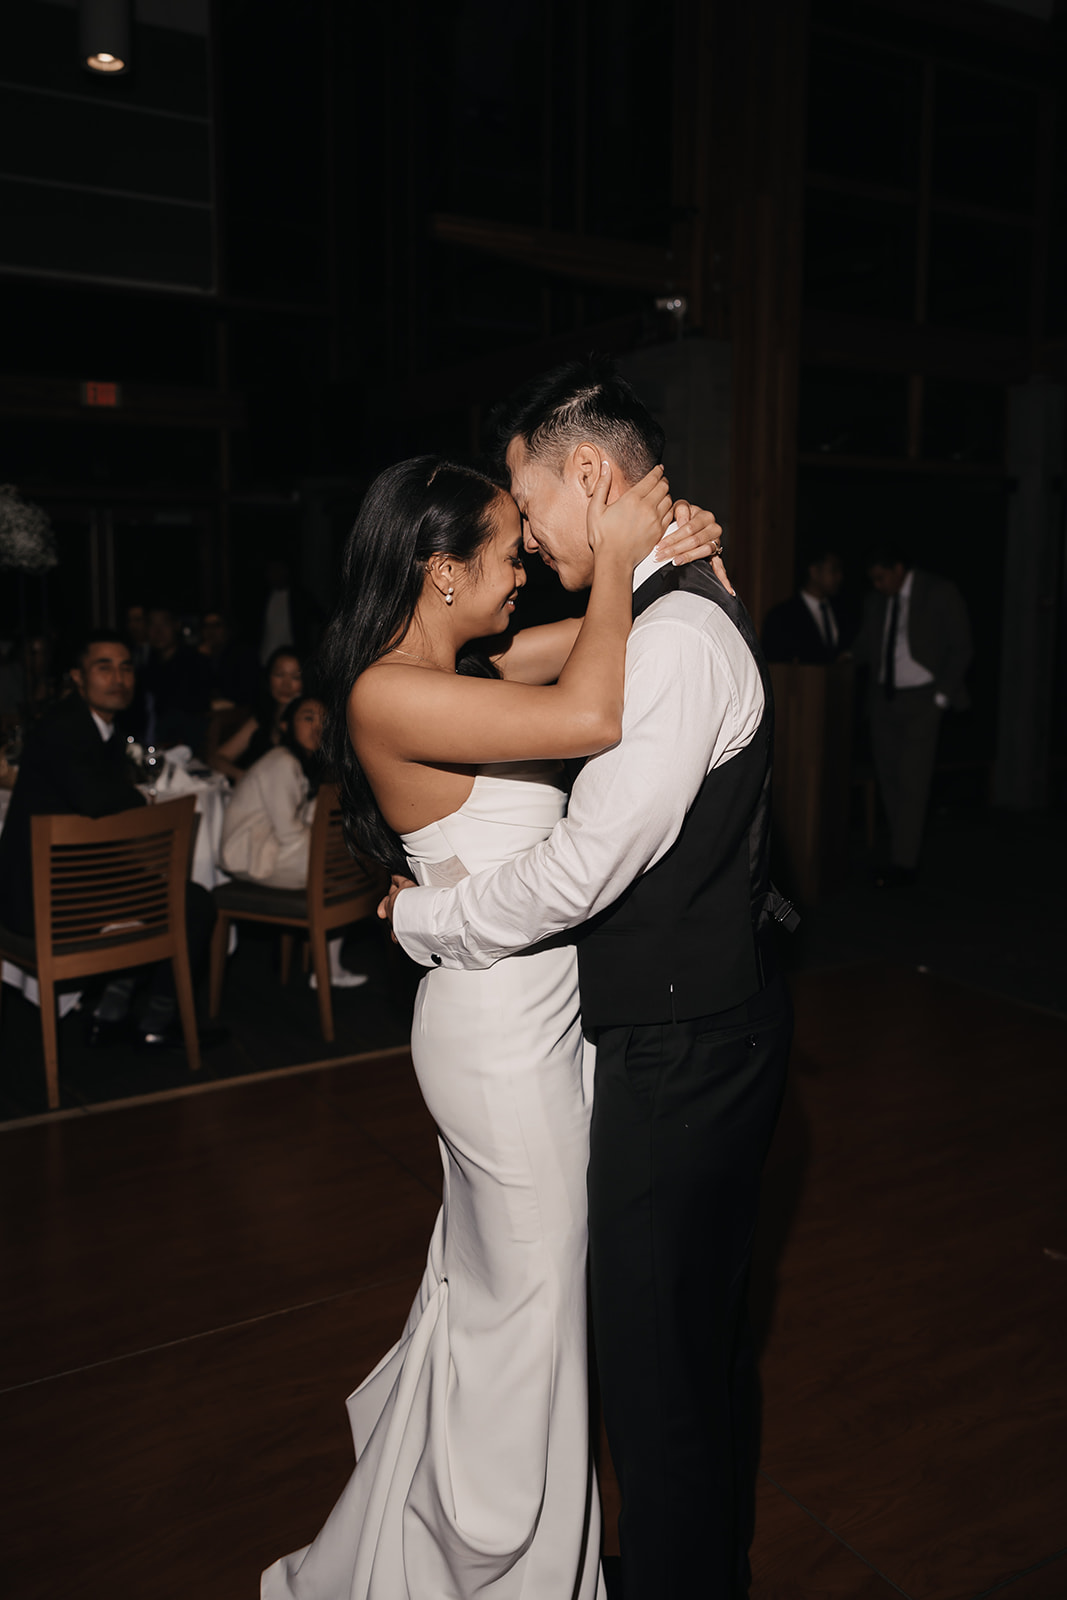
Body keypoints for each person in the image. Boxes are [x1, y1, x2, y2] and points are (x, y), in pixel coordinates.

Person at [261, 452, 720, 1600]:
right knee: (531, 1319)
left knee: (507, 1305)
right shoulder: (382, 690)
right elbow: (594, 708)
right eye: (507, 550)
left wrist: (665, 548)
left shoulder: (466, 664)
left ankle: (414, 1558)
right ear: (440, 570)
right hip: (494, 1041)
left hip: (539, 1021)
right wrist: (614, 559)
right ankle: (490, 1563)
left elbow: (612, 640)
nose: (525, 570)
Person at [386, 359, 793, 1600]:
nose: (524, 537)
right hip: (697, 1026)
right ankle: (694, 1563)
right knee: (694, 1347)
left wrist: (431, 923)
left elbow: (579, 871)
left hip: (679, 1051)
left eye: (527, 501)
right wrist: (649, 553)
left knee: (659, 1371)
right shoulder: (666, 615)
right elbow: (539, 670)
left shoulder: (670, 640)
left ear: (587, 475)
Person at [0, 629, 219, 1052]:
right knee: (191, 902)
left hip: (70, 887)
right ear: (77, 678)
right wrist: (139, 796)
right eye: (104, 667)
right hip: (36, 901)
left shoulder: (101, 731)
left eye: (125, 667)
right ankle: (152, 1017)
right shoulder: (63, 727)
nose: (118, 678)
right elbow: (95, 798)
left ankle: (114, 1012)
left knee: (172, 896)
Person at [220, 694, 366, 989]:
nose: (317, 727)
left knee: (346, 858)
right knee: (345, 860)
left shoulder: (303, 765)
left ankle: (330, 967)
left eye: (324, 721)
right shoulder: (281, 762)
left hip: (276, 848)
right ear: (286, 725)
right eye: (307, 718)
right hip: (254, 856)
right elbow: (289, 832)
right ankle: (329, 969)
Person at [852, 547, 972, 886]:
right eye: (872, 579)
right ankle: (901, 852)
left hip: (923, 701)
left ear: (899, 569)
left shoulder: (938, 591)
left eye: (881, 577)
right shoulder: (876, 601)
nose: (877, 585)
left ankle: (904, 864)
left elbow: (962, 646)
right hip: (883, 701)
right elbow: (864, 646)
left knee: (913, 782)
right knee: (889, 780)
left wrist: (941, 696)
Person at [210, 646, 303, 784]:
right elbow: (217, 758)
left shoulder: (309, 722)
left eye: (295, 677)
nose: (286, 684)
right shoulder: (262, 716)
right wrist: (242, 775)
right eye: (279, 674)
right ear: (268, 677)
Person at [139, 606, 212, 750]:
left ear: (176, 626)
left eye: (164, 624)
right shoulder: (145, 668)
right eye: (152, 625)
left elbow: (196, 711)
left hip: (186, 746)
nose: (158, 631)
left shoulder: (195, 662)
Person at [762, 544, 848, 664]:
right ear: (814, 571)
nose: (839, 577)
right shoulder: (782, 616)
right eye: (833, 570)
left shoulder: (842, 611)